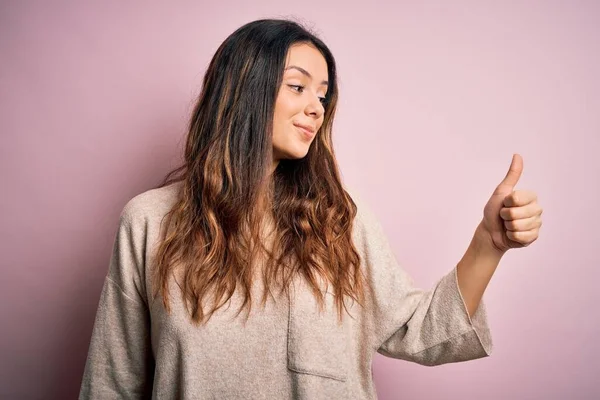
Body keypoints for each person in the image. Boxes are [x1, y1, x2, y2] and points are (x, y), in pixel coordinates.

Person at [79, 18, 543, 399]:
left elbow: (418, 329)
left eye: (323, 95)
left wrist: (489, 244)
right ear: (244, 89)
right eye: (298, 87)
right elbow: (111, 384)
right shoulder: (149, 222)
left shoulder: (340, 222)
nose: (317, 108)